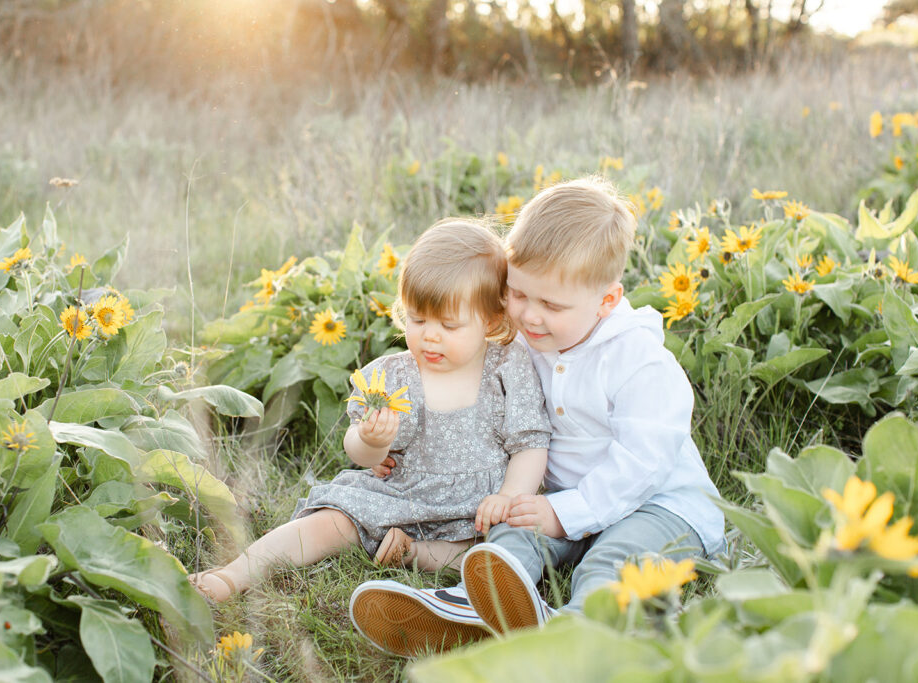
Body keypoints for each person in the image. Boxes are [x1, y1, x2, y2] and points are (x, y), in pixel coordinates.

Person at [350, 176, 725, 655]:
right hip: (562, 500)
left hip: (662, 506)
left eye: (551, 304)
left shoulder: (640, 361)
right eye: (519, 294)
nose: (529, 316)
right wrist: (395, 445)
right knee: (511, 535)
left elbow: (643, 464)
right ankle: (468, 606)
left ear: (606, 301)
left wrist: (563, 512)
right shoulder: (525, 343)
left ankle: (575, 635)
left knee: (613, 562)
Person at [189, 219, 551, 617]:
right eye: (417, 320)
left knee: (503, 545)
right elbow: (358, 454)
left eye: (449, 325)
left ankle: (415, 554)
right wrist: (372, 440)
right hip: (400, 492)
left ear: (492, 321)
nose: (430, 336)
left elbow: (530, 443)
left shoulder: (507, 365)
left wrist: (509, 496)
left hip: (479, 505)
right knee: (333, 521)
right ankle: (235, 573)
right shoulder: (391, 375)